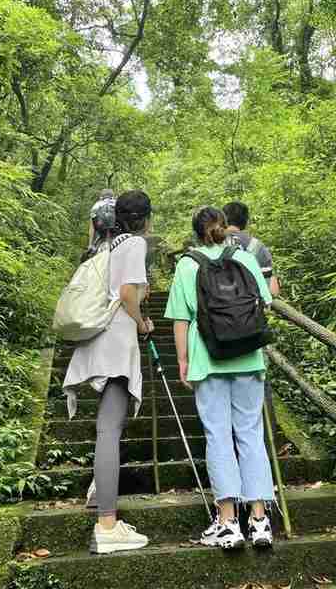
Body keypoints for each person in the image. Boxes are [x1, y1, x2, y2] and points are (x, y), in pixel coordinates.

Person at [164, 206, 276, 550]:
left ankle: (228, 523)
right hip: (248, 358)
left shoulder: (187, 264)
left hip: (208, 361)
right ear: (225, 228)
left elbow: (180, 320)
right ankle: (259, 520)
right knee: (251, 434)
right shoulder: (244, 258)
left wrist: (183, 361)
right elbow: (266, 302)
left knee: (218, 437)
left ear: (196, 232)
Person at [63, 190, 154, 554]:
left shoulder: (106, 245)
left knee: (106, 426)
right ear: (146, 218)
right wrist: (142, 324)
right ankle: (107, 524)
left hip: (100, 337)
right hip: (117, 341)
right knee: (110, 429)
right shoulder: (134, 244)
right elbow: (129, 293)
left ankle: (102, 497)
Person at [223, 201, 280, 296]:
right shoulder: (257, 246)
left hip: (214, 305)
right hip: (248, 306)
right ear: (246, 221)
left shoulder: (211, 245)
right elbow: (271, 291)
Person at [87, 188, 117, 255]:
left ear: (101, 197)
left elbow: (92, 229)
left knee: (90, 258)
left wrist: (90, 244)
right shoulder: (117, 204)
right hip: (115, 235)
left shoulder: (95, 207)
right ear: (113, 197)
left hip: (102, 236)